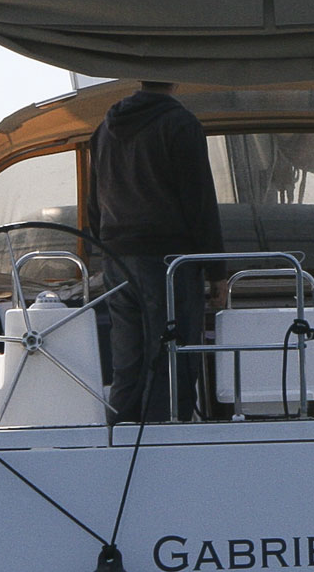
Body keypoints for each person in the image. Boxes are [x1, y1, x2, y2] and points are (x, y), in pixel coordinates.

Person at [90, 80, 226, 422]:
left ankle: (122, 437)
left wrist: (108, 252)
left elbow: (94, 205)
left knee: (128, 363)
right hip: (167, 263)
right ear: (175, 79)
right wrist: (217, 272)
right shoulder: (180, 124)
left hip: (117, 261)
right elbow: (200, 203)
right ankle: (164, 438)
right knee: (172, 358)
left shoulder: (104, 129)